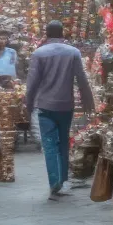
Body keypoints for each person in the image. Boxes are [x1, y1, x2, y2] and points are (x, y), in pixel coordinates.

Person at [25, 20, 95, 199]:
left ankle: (54, 182)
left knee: (49, 145)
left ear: (46, 34)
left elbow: (32, 84)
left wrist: (29, 104)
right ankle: (63, 179)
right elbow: (82, 80)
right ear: (62, 34)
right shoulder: (73, 53)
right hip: (66, 105)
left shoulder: (38, 54)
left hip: (45, 106)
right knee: (63, 142)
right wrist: (89, 102)